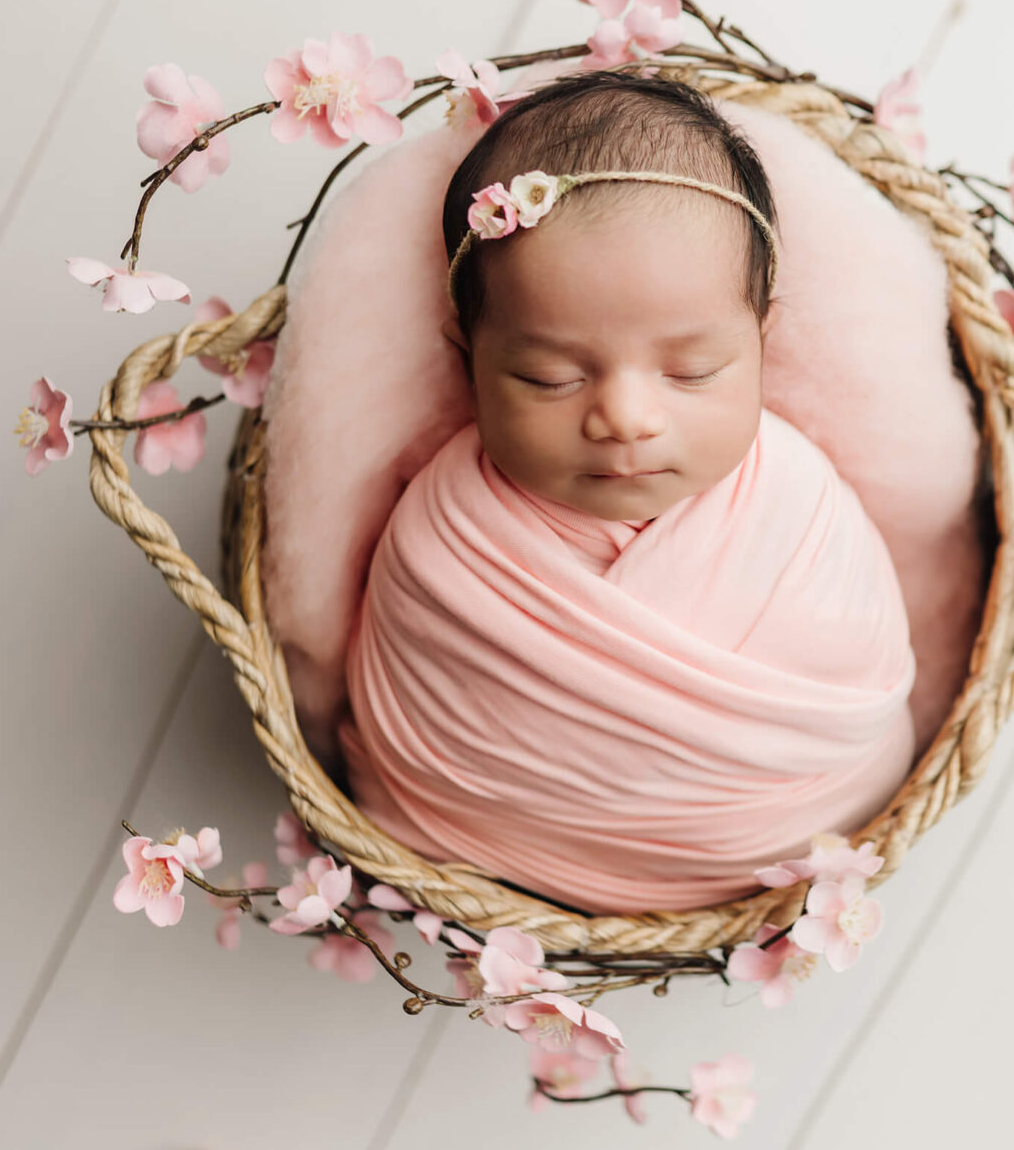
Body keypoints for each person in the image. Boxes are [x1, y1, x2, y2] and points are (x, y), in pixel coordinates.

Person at [333, 71, 922, 915]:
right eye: (549, 375)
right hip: (477, 874)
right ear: (466, 354)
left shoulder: (800, 512)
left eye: (692, 370)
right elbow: (410, 729)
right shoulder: (442, 540)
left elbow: (862, 699)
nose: (624, 417)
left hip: (785, 857)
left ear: (763, 339)